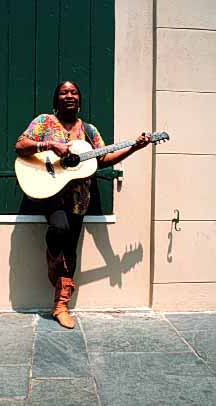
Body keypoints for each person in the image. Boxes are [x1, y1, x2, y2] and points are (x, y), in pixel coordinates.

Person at [15, 81, 150, 329]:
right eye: (64, 92)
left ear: (79, 99)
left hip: (79, 200)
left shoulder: (88, 131)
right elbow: (20, 146)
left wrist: (134, 147)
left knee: (71, 250)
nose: (69, 95)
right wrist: (49, 145)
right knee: (59, 230)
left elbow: (104, 158)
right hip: (50, 193)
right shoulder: (44, 122)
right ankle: (56, 276)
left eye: (74, 92)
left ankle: (60, 306)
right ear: (56, 99)